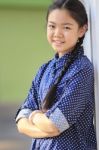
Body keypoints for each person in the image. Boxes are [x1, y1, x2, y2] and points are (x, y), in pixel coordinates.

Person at [15, 0, 97, 149]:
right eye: (52, 26)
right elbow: (21, 121)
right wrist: (44, 127)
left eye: (66, 27)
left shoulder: (82, 69)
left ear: (82, 30)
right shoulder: (44, 70)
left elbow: (54, 124)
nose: (57, 34)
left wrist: (34, 116)